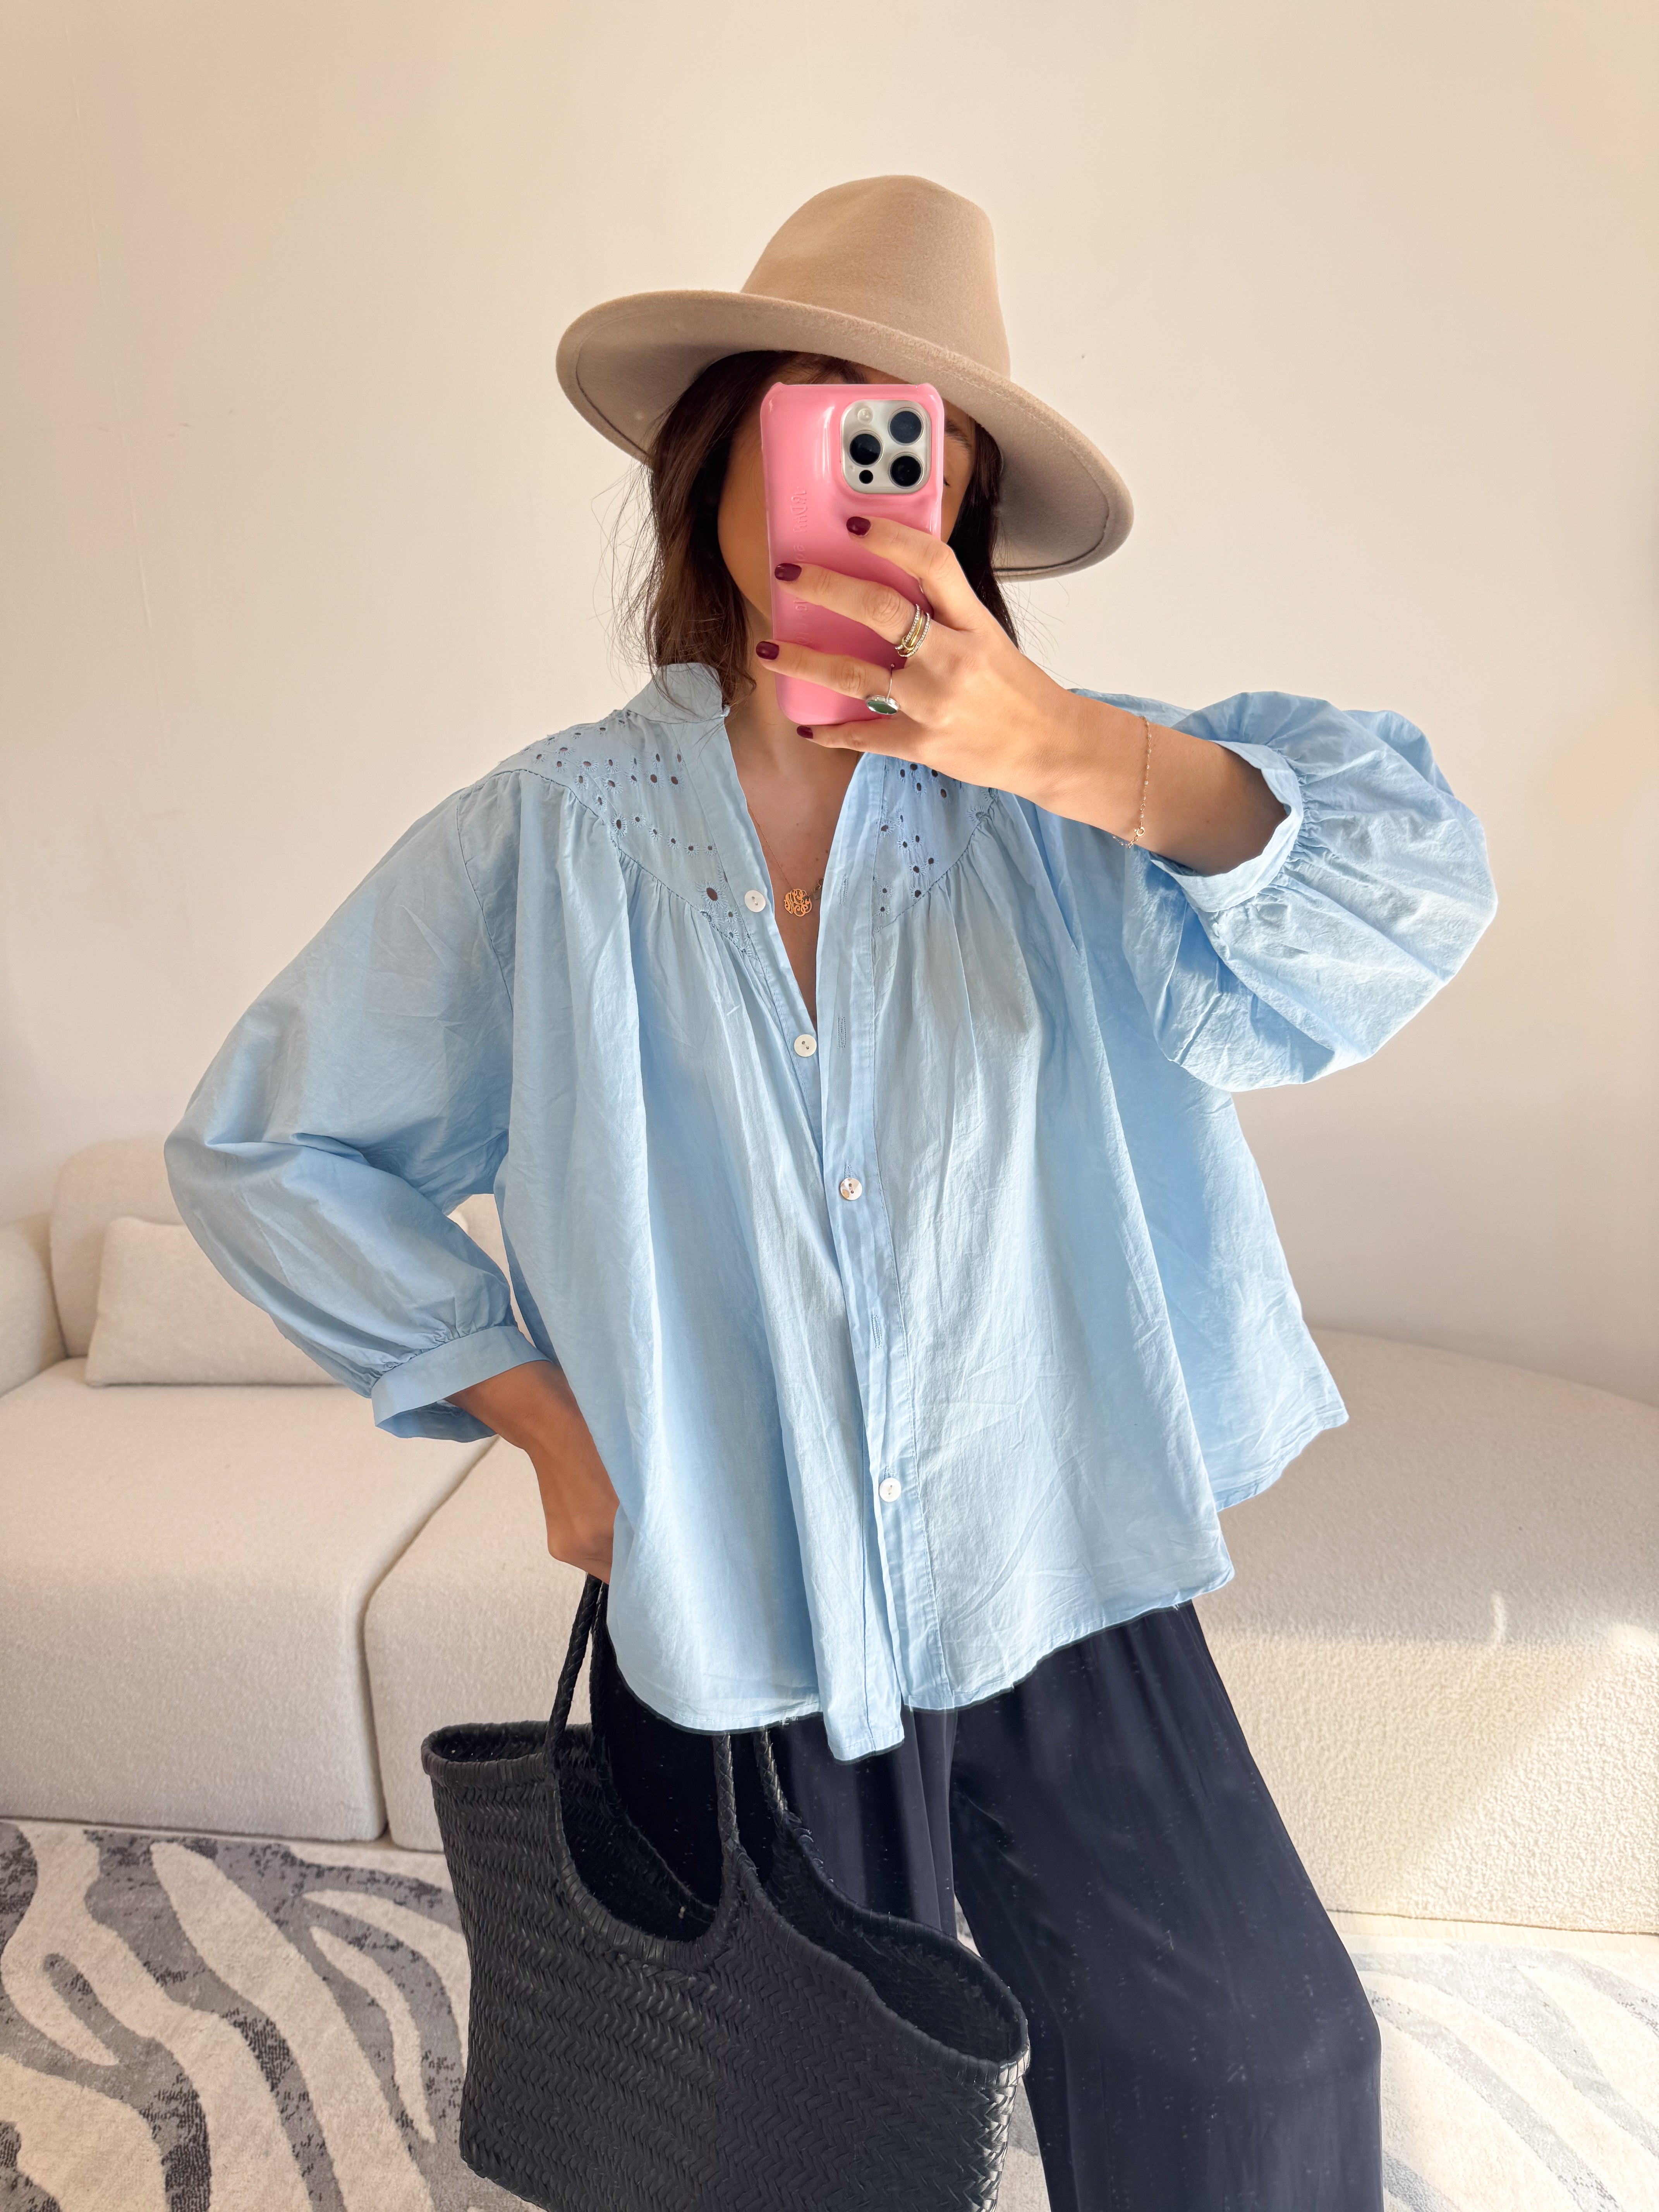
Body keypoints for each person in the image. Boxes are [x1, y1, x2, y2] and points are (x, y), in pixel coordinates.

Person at [167, 175, 1496, 2209]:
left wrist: (1070, 749)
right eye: (820, 416)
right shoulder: (546, 838)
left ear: (962, 501)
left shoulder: (1081, 799)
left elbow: (1408, 888)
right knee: (799, 2131)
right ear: (717, 457)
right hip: (734, 1584)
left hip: (1054, 1550)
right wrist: (541, 1421)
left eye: (916, 443)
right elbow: (263, 1146)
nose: (868, 475)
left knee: (1259, 2053)